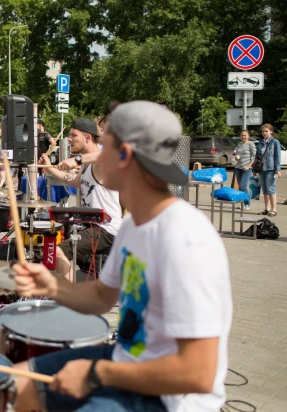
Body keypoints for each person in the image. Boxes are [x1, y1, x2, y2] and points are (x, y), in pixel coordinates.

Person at [12, 101, 232, 412]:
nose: (97, 153)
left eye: (104, 144)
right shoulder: (132, 224)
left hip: (168, 397)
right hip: (124, 359)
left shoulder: (186, 239)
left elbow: (198, 373)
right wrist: (50, 286)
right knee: (16, 384)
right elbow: (102, 296)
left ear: (124, 156)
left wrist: (95, 374)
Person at [41, 118, 122, 281]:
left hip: (106, 227)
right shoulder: (88, 162)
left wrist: (76, 160)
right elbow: (76, 181)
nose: (69, 139)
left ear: (87, 138)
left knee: (56, 252)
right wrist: (49, 168)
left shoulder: (99, 161)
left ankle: (70, 301)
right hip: (94, 224)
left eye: (73, 135)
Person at [255, 124, 282, 217]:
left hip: (271, 168)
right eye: (263, 131)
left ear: (271, 131)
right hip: (262, 169)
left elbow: (277, 156)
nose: (264, 133)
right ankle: (266, 208)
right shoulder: (261, 142)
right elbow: (257, 156)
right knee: (265, 189)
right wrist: (255, 169)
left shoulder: (275, 142)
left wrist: (277, 169)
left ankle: (274, 209)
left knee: (271, 189)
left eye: (266, 131)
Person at [233, 130, 257, 211]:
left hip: (247, 168)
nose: (243, 137)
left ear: (248, 136)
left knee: (243, 186)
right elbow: (236, 154)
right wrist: (236, 157)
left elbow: (254, 157)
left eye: (245, 135)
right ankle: (241, 203)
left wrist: (248, 165)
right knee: (240, 186)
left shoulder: (251, 144)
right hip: (238, 167)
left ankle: (247, 204)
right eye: (242, 135)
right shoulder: (239, 144)